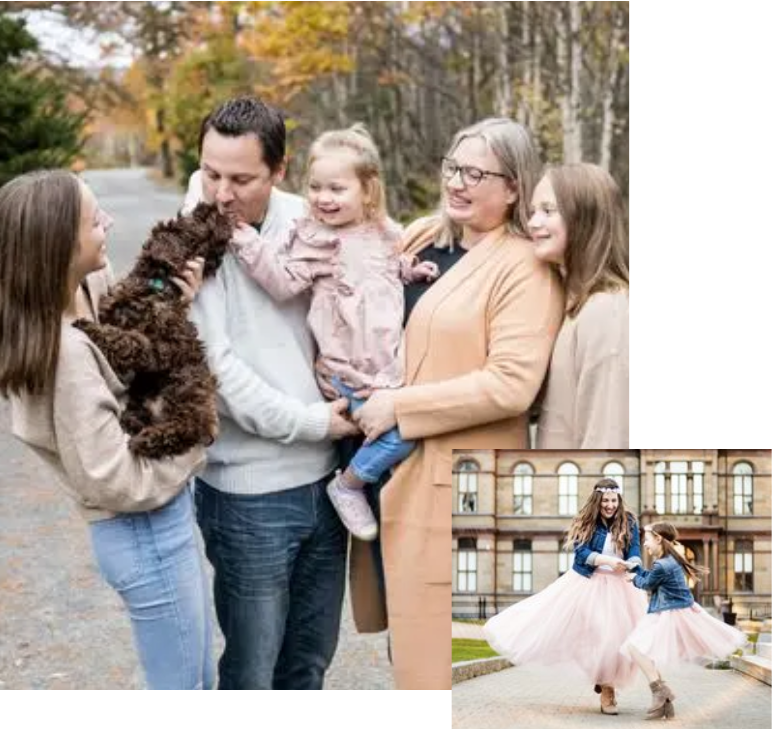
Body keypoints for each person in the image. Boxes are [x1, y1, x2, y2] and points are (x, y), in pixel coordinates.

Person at [349, 117, 565, 703]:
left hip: (461, 487)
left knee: (452, 669)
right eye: (452, 167)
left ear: (514, 187)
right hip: (390, 473)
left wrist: (398, 406)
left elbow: (512, 385)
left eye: (477, 173)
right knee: (409, 651)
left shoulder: (525, 267)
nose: (458, 182)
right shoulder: (421, 237)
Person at [0, 169, 213, 704]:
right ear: (58, 247)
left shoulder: (85, 288)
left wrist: (173, 307)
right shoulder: (64, 354)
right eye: (96, 222)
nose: (109, 225)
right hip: (143, 531)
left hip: (158, 524)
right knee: (181, 694)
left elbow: (132, 347)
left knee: (192, 680)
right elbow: (114, 479)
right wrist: (196, 438)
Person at [182, 96, 359, 704]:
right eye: (210, 173)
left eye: (240, 178)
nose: (221, 193)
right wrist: (313, 422)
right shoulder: (192, 240)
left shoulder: (309, 218)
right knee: (253, 676)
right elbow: (217, 370)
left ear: (279, 171)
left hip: (330, 484)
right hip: (247, 495)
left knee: (307, 666)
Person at [186, 123, 437, 543]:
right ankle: (350, 485)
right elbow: (282, 281)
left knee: (406, 429)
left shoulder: (386, 232)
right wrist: (245, 240)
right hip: (347, 368)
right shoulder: (314, 239)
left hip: (387, 366)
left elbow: (389, 269)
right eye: (316, 187)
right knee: (400, 434)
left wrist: (411, 269)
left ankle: (368, 493)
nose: (322, 198)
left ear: (368, 192)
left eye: (336, 189)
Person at [483, 478, 648, 715]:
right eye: (605, 501)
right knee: (596, 632)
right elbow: (582, 553)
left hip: (618, 586)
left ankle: (608, 686)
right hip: (588, 582)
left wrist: (631, 564)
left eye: (613, 500)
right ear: (597, 501)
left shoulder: (629, 521)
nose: (610, 506)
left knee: (615, 639)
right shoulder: (586, 521)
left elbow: (633, 550)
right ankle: (602, 679)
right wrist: (609, 560)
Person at [528, 163, 630, 448]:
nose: (533, 223)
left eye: (548, 211)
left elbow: (608, 440)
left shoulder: (606, 313)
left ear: (585, 218)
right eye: (532, 211)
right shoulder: (575, 305)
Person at [621, 522, 747, 719]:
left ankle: (660, 692)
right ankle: (665, 703)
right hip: (668, 611)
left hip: (668, 614)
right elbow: (652, 576)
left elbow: (647, 582)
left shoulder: (662, 564)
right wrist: (635, 569)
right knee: (643, 650)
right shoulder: (668, 561)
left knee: (634, 647)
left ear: (658, 539)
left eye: (647, 540)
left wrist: (633, 577)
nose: (644, 545)